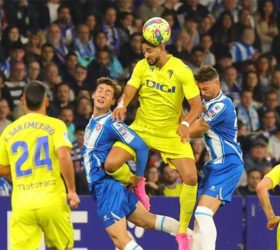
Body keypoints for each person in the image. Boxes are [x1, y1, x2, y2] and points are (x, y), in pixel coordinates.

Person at [113, 21, 202, 249]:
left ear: (162, 47)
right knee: (111, 164)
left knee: (191, 177)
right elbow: (130, 90)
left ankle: (182, 232)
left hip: (170, 133)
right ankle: (137, 183)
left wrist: (185, 122)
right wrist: (122, 104)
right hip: (141, 128)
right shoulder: (142, 66)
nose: (145, 54)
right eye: (143, 50)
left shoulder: (181, 70)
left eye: (149, 51)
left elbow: (196, 105)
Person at [83, 77, 190, 249]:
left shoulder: (112, 123)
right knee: (148, 221)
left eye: (108, 93)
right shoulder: (92, 122)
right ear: (93, 94)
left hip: (107, 187)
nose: (103, 94)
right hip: (108, 187)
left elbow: (140, 146)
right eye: (101, 90)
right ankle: (194, 239)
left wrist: (139, 177)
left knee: (120, 239)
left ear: (113, 101)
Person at [0, 81, 80, 250]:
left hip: (22, 204)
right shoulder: (55, 125)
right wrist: (71, 190)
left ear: (23, 101)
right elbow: (64, 156)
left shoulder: (9, 131)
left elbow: (1, 168)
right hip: (52, 201)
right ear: (46, 101)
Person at [188, 65, 244, 250]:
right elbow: (188, 125)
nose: (203, 93)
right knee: (199, 221)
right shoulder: (208, 104)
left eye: (206, 89)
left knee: (203, 213)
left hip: (228, 163)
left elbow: (195, 129)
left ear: (218, 83)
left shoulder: (222, 105)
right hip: (215, 165)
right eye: (200, 89)